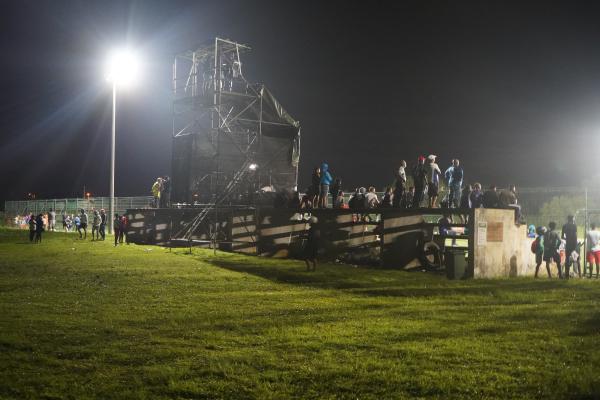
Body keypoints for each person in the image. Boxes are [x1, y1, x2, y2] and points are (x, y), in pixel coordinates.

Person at [561, 215, 577, 280]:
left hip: (568, 244)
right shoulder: (574, 225)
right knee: (575, 259)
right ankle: (576, 273)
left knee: (567, 259)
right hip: (573, 244)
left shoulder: (564, 226)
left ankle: (567, 275)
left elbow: (562, 236)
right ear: (572, 219)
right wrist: (575, 244)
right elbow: (575, 236)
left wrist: (567, 238)